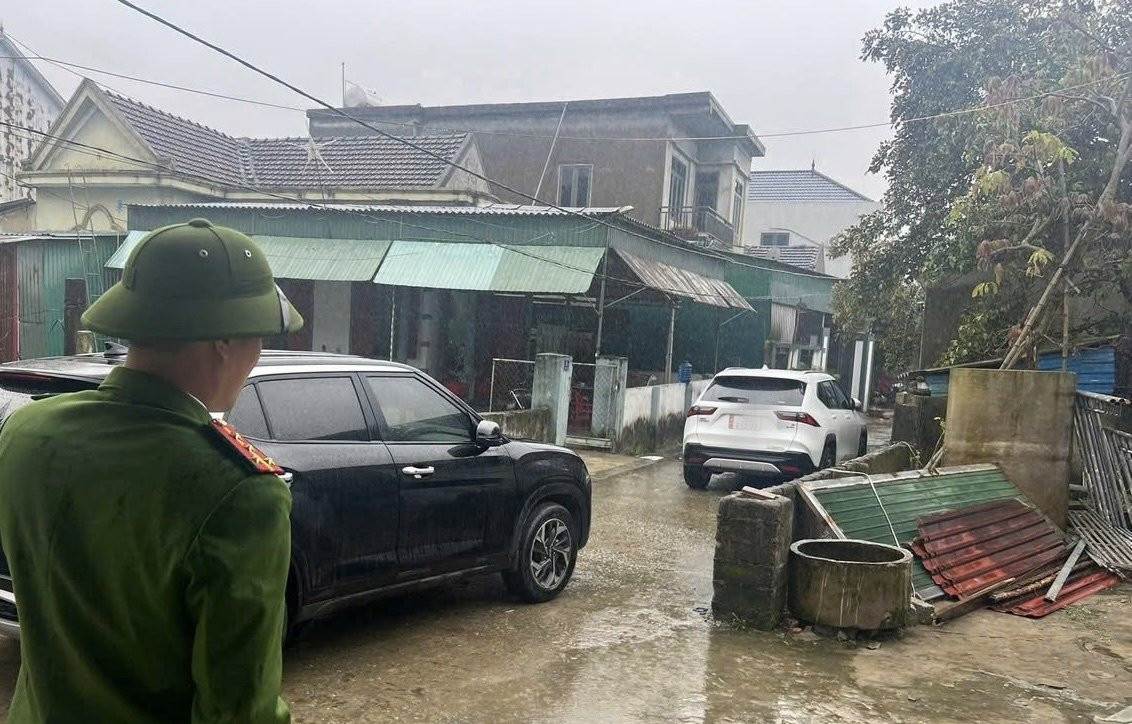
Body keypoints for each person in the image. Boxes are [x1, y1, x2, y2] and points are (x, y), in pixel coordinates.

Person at [0, 218, 303, 723]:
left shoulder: (26, 432)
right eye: (260, 336)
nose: (259, 354)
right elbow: (236, 710)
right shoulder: (237, 490)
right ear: (224, 340)